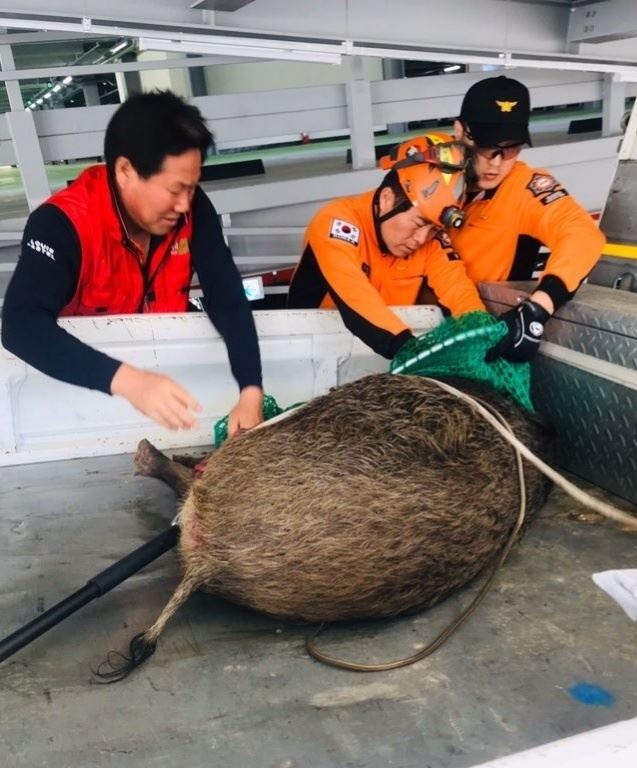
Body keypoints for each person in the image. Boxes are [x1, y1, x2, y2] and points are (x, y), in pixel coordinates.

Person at [1, 90, 263, 435]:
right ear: (125, 170)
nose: (186, 204)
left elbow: (225, 293)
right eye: (175, 189)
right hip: (75, 406)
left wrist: (250, 388)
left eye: (192, 188)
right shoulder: (62, 225)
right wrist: (132, 383)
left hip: (166, 400)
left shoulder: (192, 210)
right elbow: (21, 325)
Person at [450, 75, 605, 362]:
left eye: (511, 148)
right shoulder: (434, 177)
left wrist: (538, 308)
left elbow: (583, 235)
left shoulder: (526, 188)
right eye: (486, 146)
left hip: (483, 340)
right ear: (460, 132)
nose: (497, 162)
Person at [287, 141, 486, 359]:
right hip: (308, 354)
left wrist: (481, 332)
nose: (422, 239)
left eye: (435, 229)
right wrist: (407, 349)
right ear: (386, 199)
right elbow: (355, 294)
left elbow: (458, 289)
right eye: (419, 224)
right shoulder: (334, 223)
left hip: (385, 358)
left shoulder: (430, 241)